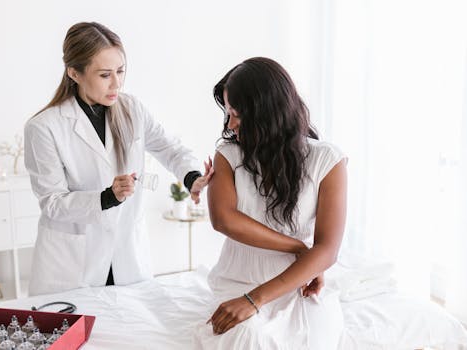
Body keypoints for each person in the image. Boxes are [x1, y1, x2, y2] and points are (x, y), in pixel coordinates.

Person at [24, 22, 213, 296]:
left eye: (120, 71)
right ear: (74, 72)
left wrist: (192, 178)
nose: (117, 83)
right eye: (104, 75)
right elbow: (52, 203)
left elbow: (170, 148)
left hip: (127, 259)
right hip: (74, 265)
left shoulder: (132, 108)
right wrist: (106, 197)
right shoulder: (44, 127)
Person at [193, 57, 347, 349]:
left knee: (316, 340)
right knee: (246, 339)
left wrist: (256, 299)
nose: (230, 124)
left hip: (299, 282)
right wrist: (298, 247)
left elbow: (328, 249)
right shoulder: (228, 154)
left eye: (237, 114)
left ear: (266, 113)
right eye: (228, 113)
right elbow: (223, 219)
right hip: (239, 279)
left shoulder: (327, 159)